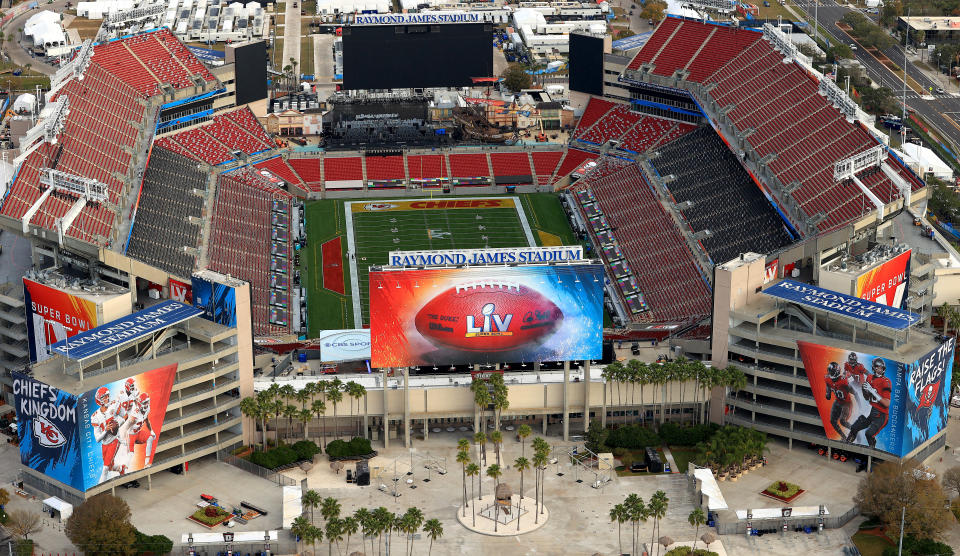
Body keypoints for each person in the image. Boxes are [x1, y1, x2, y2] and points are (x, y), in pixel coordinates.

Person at [846, 358, 892, 448]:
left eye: (882, 368)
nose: (881, 370)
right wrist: (865, 390)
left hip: (881, 414)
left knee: (869, 434)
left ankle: (872, 447)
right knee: (854, 427)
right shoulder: (870, 377)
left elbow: (887, 403)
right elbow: (867, 398)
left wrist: (873, 391)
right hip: (871, 411)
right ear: (874, 368)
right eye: (879, 367)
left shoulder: (886, 381)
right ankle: (847, 444)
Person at [90, 387, 129, 482]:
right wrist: (106, 430)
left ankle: (98, 490)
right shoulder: (95, 417)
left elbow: (125, 415)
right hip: (105, 443)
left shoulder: (114, 405)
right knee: (110, 467)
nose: (107, 398)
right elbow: (98, 439)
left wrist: (117, 425)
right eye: (104, 397)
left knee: (105, 469)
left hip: (115, 439)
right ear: (99, 400)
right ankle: (121, 468)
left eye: (108, 396)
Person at [823, 362, 853, 436]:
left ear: (836, 372)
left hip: (846, 403)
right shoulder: (827, 378)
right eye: (829, 371)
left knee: (842, 421)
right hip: (838, 401)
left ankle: (855, 431)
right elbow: (828, 387)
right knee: (832, 421)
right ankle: (843, 437)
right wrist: (828, 392)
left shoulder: (843, 380)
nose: (829, 373)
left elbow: (854, 392)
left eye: (831, 371)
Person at [127, 392, 156, 468]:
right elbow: (127, 425)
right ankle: (125, 469)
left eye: (147, 402)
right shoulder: (135, 413)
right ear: (141, 404)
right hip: (130, 434)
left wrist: (151, 431)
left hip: (138, 433)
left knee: (150, 438)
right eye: (145, 402)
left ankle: (146, 463)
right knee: (131, 454)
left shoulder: (147, 409)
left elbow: (146, 420)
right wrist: (123, 436)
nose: (147, 404)